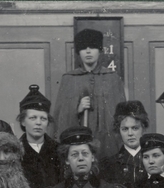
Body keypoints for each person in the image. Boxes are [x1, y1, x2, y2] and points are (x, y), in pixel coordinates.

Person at [52, 28, 127, 158]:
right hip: (80, 144)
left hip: (108, 145)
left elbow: (121, 116)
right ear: (78, 52)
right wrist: (77, 108)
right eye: (83, 48)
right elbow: (60, 117)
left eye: (92, 47)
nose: (88, 51)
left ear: (99, 50)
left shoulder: (112, 78)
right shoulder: (69, 79)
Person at [16, 85, 62, 188]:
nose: (38, 123)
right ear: (23, 122)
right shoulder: (15, 151)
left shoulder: (58, 150)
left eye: (43, 118)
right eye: (33, 118)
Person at [100, 101, 150, 188]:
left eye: (135, 128)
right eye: (125, 129)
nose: (130, 133)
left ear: (143, 128)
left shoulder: (153, 161)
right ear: (119, 130)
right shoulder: (109, 165)